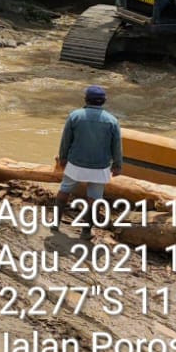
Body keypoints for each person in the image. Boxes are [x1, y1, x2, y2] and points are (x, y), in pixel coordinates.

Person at [53, 85, 123, 241]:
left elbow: (66, 140)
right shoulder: (112, 120)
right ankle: (85, 231)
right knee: (94, 198)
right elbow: (116, 145)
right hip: (100, 166)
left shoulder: (75, 116)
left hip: (76, 163)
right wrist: (117, 165)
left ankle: (55, 223)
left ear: (86, 99)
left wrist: (63, 158)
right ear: (104, 101)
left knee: (65, 189)